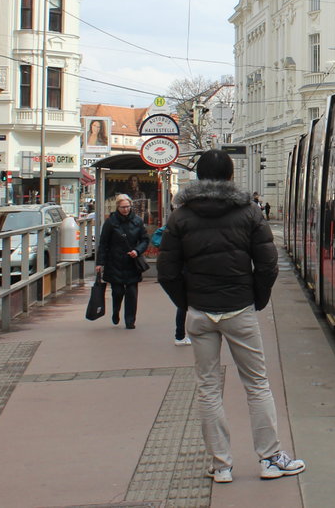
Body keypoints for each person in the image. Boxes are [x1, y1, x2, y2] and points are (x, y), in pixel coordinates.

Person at [158, 149, 304, 484]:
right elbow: (267, 264)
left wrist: (189, 301)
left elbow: (166, 272)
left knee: (208, 388)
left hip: (199, 312)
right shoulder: (249, 212)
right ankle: (270, 459)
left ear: (198, 177)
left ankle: (221, 465)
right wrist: (256, 299)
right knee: (257, 384)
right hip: (239, 309)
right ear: (230, 176)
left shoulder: (180, 217)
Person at [95, 194, 149, 328]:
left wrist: (137, 251)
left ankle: (130, 321)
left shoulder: (137, 221)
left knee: (132, 293)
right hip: (114, 262)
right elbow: (103, 243)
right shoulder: (111, 222)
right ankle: (116, 311)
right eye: (123, 207)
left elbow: (145, 239)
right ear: (117, 207)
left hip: (132, 262)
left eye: (128, 207)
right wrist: (100, 263)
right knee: (117, 291)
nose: (126, 209)